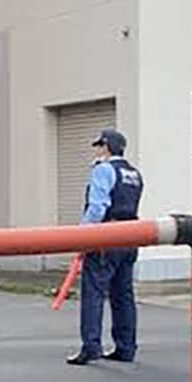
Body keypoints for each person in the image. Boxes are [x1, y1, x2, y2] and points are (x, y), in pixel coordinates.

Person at [67, 129, 143, 366]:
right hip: (130, 236)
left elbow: (98, 207)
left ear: (107, 147)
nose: (96, 150)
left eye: (99, 145)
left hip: (106, 238)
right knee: (123, 294)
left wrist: (83, 235)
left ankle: (91, 346)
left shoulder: (103, 169)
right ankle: (126, 347)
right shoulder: (134, 174)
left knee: (94, 293)